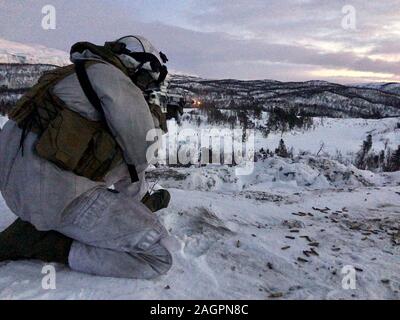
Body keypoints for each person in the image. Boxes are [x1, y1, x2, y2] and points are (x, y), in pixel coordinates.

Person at [0, 36, 173, 279]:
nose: (144, 87)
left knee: (121, 147)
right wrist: (154, 112)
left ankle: (134, 203)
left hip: (16, 189)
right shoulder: (113, 79)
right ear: (136, 67)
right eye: (146, 80)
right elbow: (145, 151)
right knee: (159, 255)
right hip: (55, 199)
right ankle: (44, 243)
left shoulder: (74, 73)